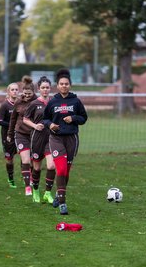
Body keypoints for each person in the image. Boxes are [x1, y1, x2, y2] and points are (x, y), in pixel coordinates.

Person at [43, 69, 88, 215]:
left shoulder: (76, 101)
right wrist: (50, 125)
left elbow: (83, 118)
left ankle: (58, 194)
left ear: (70, 85)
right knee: (60, 170)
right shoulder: (52, 102)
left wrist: (73, 118)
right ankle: (63, 203)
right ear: (57, 85)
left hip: (71, 139)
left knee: (66, 172)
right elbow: (45, 119)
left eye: (66, 84)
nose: (64, 86)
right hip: (56, 138)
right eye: (61, 84)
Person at [23, 76, 56, 204]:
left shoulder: (54, 103)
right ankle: (35, 190)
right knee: (36, 168)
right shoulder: (34, 104)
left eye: (47, 87)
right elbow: (26, 119)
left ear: (50, 88)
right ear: (39, 89)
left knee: (51, 166)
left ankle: (47, 193)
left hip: (51, 139)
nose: (45, 90)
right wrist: (35, 126)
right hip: (37, 139)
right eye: (43, 88)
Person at [7, 75, 37, 196]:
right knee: (25, 159)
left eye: (29, 94)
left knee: (34, 161)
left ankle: (32, 179)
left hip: (34, 134)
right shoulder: (19, 102)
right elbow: (13, 119)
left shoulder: (37, 102)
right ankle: (27, 187)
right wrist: (10, 133)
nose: (27, 96)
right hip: (20, 134)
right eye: (25, 93)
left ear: (33, 92)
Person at [0, 83, 19, 188]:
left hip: (20, 135)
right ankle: (11, 179)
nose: (15, 91)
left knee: (25, 157)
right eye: (12, 89)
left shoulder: (21, 104)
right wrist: (11, 125)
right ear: (9, 92)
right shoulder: (5, 105)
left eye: (16, 89)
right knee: (9, 159)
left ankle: (28, 179)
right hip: (7, 136)